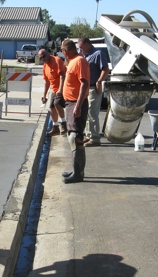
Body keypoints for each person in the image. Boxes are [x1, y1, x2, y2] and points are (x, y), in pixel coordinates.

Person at [60, 39, 89, 184]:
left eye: (62, 51)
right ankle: (76, 170)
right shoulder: (71, 61)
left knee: (75, 138)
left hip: (77, 104)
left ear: (65, 51)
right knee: (73, 137)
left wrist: (78, 105)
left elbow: (85, 83)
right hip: (70, 103)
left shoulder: (79, 61)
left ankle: (78, 174)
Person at [77, 38, 110, 147]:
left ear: (87, 44)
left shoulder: (98, 54)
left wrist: (99, 81)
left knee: (92, 112)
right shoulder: (83, 55)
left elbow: (105, 69)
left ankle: (95, 138)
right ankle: (88, 135)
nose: (80, 49)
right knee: (86, 111)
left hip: (93, 87)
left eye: (81, 46)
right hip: (85, 88)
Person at [38, 49, 67, 136]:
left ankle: (64, 124)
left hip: (63, 87)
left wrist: (60, 89)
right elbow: (47, 82)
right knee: (51, 107)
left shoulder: (57, 60)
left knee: (57, 103)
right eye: (40, 58)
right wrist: (44, 95)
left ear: (48, 54)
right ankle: (55, 127)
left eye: (44, 56)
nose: (43, 59)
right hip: (54, 89)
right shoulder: (45, 66)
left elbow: (62, 76)